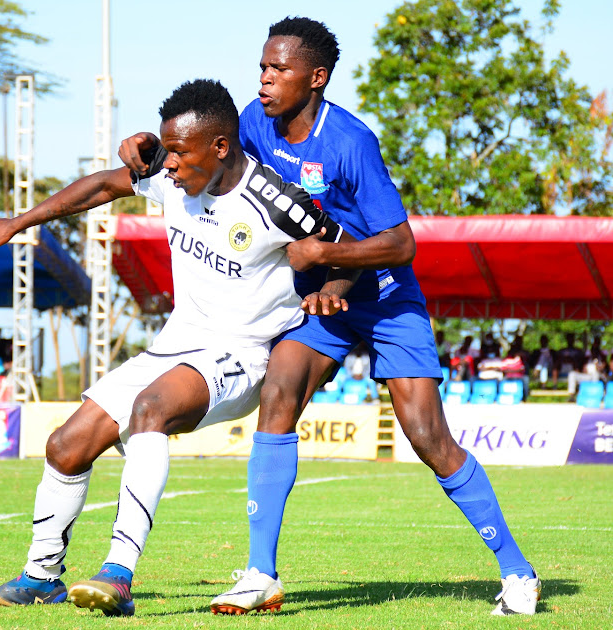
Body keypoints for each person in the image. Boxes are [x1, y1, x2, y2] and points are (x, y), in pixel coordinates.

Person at [121, 17, 539, 617]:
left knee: (426, 437)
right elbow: (202, 152)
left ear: (315, 78)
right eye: (262, 67)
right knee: (280, 391)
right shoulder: (250, 122)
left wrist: (327, 256)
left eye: (278, 69)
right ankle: (260, 573)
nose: (264, 80)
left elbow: (400, 244)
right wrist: (150, 148)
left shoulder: (351, 141)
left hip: (386, 297)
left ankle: (517, 572)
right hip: (320, 301)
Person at [0, 79, 349, 617]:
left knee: (151, 410)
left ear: (219, 147)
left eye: (182, 154)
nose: (169, 166)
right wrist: (17, 223)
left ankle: (119, 574)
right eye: (168, 153)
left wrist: (331, 290)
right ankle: (41, 575)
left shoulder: (276, 203)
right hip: (176, 344)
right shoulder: (174, 176)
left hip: (242, 354)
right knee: (65, 446)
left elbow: (346, 250)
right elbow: (102, 186)